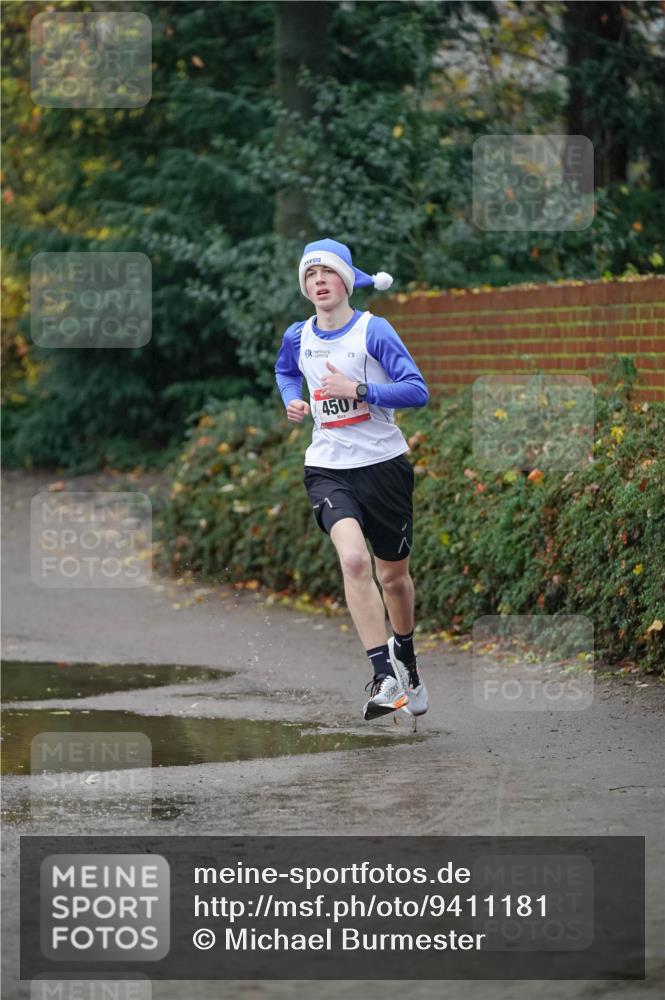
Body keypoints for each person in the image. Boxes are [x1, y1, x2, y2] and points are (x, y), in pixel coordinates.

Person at [274, 238, 430, 721]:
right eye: (309, 276)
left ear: (345, 280)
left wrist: (359, 389)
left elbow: (417, 390)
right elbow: (284, 370)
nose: (318, 282)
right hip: (328, 467)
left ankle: (406, 657)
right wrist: (291, 400)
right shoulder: (298, 336)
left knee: (394, 577)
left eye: (326, 274)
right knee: (356, 561)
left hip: (383, 465)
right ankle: (384, 675)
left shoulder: (373, 330)